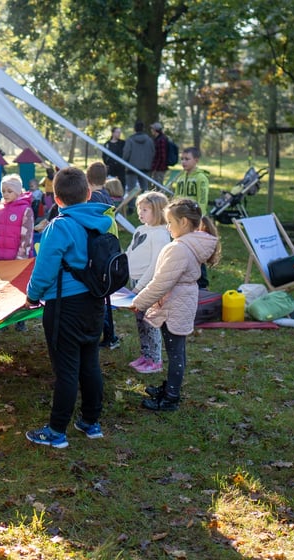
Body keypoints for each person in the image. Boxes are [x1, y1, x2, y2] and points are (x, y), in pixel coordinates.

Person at [24, 167, 111, 447]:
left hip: (65, 307)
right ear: (88, 193)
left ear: (56, 200)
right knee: (90, 363)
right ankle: (90, 421)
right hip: (96, 304)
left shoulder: (59, 227)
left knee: (66, 369)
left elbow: (44, 268)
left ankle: (57, 431)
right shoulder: (101, 221)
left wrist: (32, 296)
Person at [130, 198, 220, 412]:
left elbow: (162, 282)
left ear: (184, 223)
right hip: (178, 302)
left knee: (176, 353)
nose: (167, 226)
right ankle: (170, 388)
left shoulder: (180, 249)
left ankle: (171, 397)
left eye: (170, 222)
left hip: (175, 305)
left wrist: (139, 302)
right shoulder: (187, 244)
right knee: (175, 350)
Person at [125, 191, 170, 374]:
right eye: (139, 209)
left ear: (158, 211)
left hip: (147, 285)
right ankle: (145, 355)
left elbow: (154, 265)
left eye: (145, 210)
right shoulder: (140, 229)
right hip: (134, 282)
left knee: (150, 322)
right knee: (140, 322)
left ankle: (155, 360)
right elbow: (130, 251)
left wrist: (139, 287)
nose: (140, 213)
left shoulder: (160, 234)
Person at [86, 162, 119, 350]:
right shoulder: (107, 196)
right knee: (105, 296)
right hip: (108, 248)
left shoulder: (92, 199)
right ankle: (110, 335)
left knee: (99, 298)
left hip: (98, 251)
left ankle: (107, 334)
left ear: (87, 179)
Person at [173, 147, 211, 288]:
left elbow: (202, 200)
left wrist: (197, 219)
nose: (183, 162)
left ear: (196, 160)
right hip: (180, 221)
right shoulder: (181, 177)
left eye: (187, 159)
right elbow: (176, 198)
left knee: (196, 251)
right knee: (182, 251)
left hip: (193, 221)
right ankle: (185, 278)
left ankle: (202, 283)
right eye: (182, 159)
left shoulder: (201, 178)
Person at [123, 121, 155, 197]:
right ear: (143, 128)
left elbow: (126, 153)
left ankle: (131, 207)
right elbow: (153, 152)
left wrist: (125, 162)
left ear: (135, 129)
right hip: (145, 167)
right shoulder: (149, 140)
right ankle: (146, 205)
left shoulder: (130, 140)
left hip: (131, 167)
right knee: (145, 188)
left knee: (131, 189)